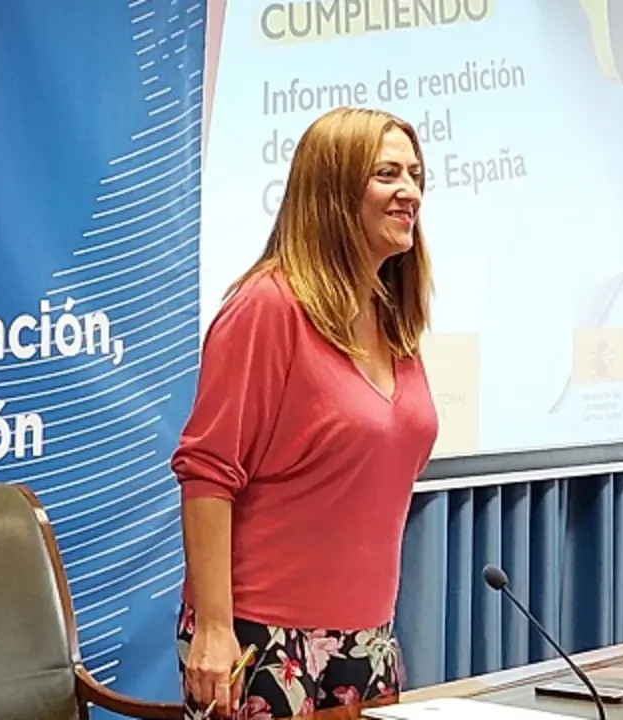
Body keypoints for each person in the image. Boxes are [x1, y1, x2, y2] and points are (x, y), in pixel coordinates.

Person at [172, 106, 440, 718]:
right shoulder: (267, 307)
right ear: (332, 189)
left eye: (416, 175)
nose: (411, 192)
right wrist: (213, 629)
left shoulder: (393, 319)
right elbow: (207, 472)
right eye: (388, 174)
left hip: (369, 639)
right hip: (260, 637)